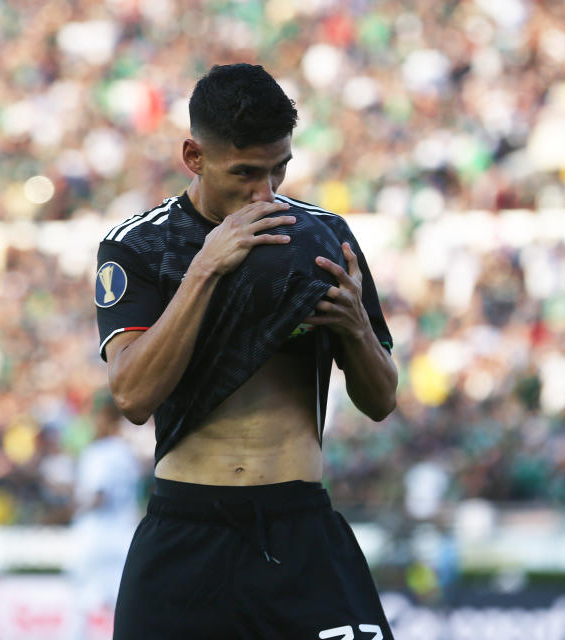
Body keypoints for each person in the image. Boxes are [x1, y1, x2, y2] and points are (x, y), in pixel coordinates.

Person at [94, 63, 397, 639]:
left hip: (298, 527)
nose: (267, 192)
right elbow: (132, 395)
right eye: (246, 173)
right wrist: (207, 267)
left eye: (279, 169)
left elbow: (381, 400)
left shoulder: (321, 237)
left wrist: (356, 327)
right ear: (194, 156)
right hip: (188, 535)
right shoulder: (139, 244)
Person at [70, 394, 142, 639]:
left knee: (81, 609)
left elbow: (97, 497)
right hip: (123, 537)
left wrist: (68, 505)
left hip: (96, 538)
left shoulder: (98, 452)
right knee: (121, 611)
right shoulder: (127, 454)